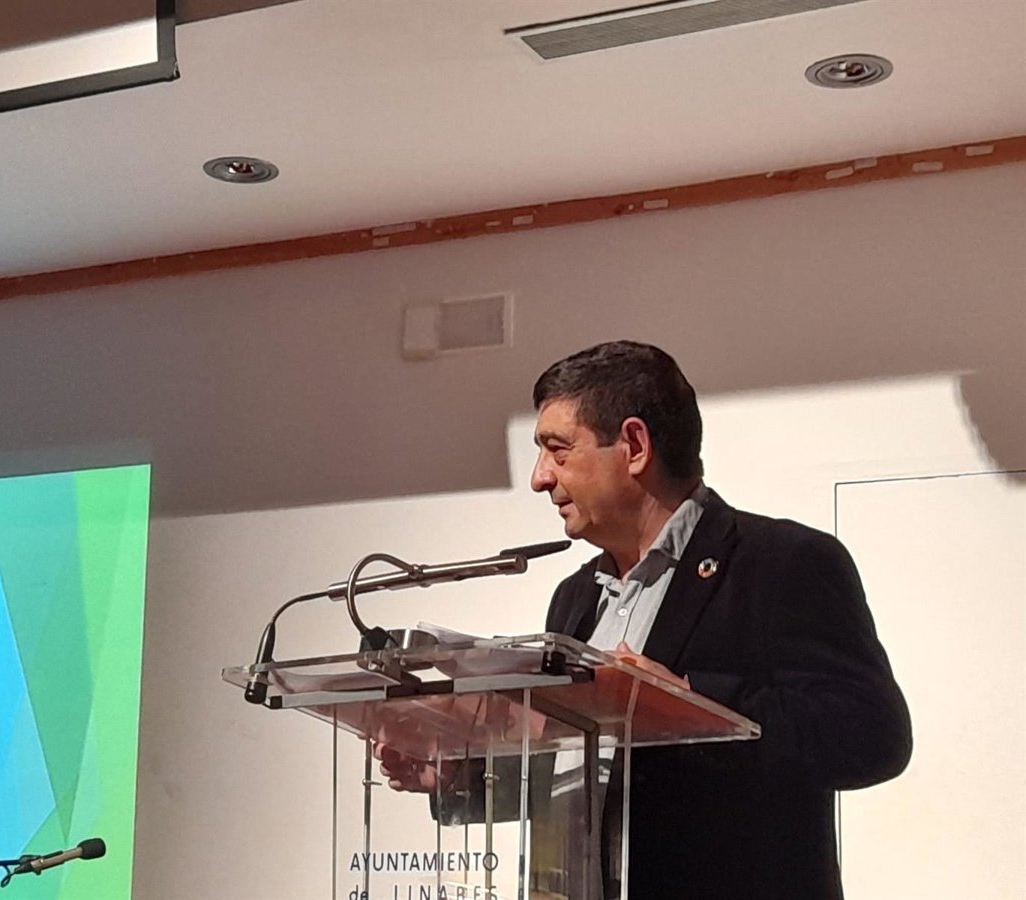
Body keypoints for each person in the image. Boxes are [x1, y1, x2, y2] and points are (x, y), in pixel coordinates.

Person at [378, 340, 912, 900]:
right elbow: (586, 778)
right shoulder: (575, 599)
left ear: (634, 446)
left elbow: (873, 736)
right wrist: (460, 772)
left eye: (558, 450)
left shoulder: (781, 564)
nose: (539, 478)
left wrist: (687, 702)